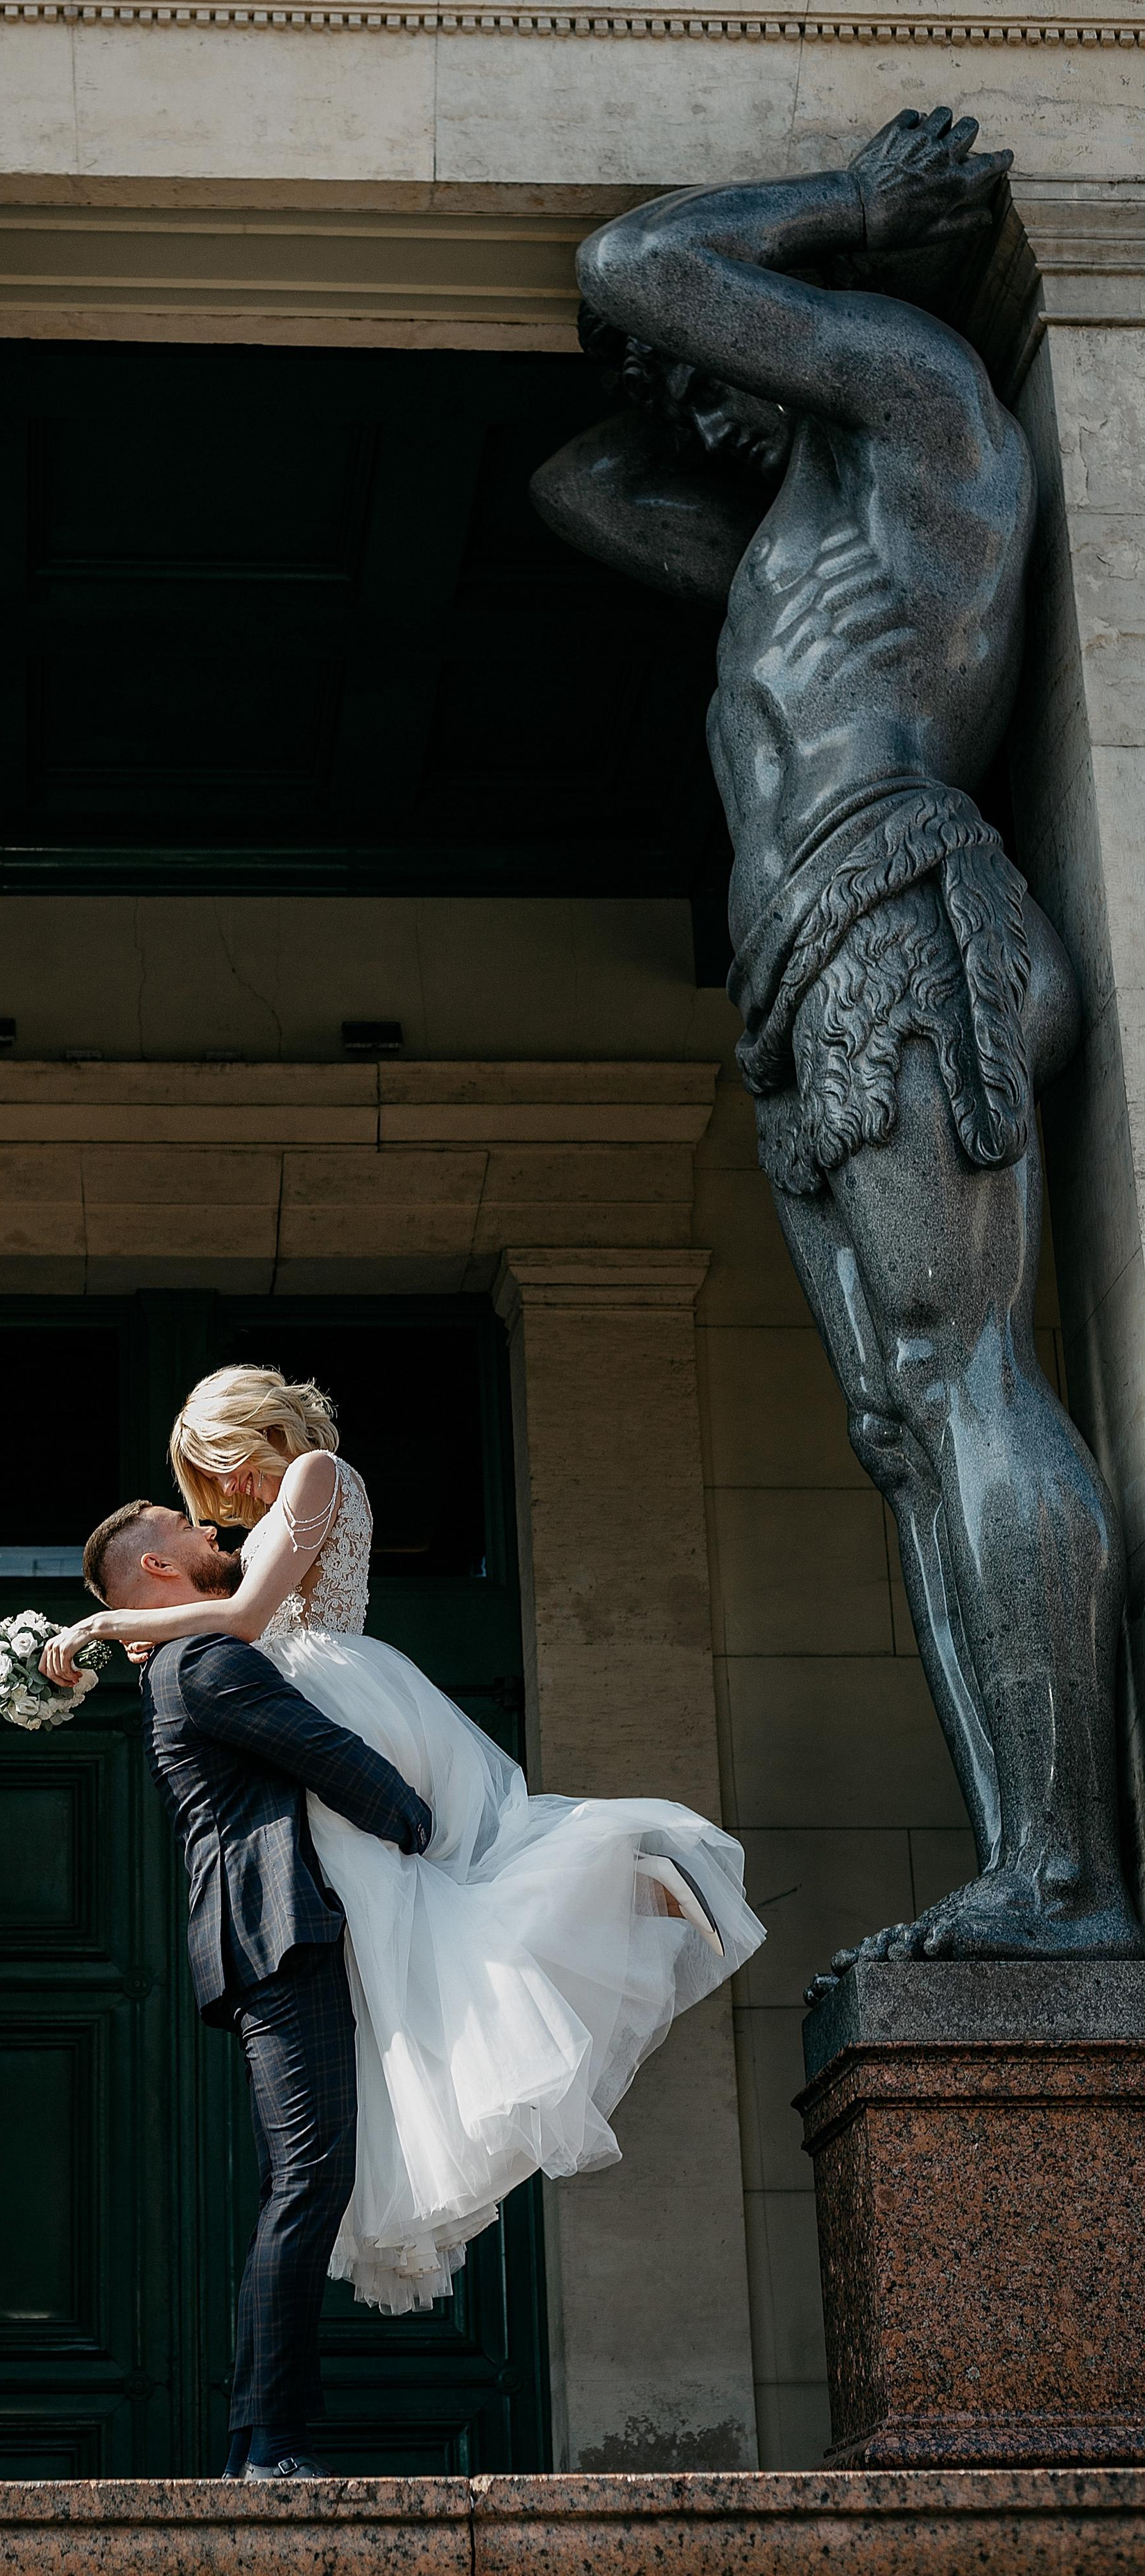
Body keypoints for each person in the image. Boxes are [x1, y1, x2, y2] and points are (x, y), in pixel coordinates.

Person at [531, 106, 1145, 1987]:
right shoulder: (801, 524)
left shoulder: (922, 406)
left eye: (728, 359)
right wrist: (723, 400)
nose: (685, 385)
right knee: (905, 1422)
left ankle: (1068, 1867)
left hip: (899, 904)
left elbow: (639, 264)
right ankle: (1024, 1865)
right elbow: (590, 483)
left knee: (967, 1381)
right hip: (819, 953)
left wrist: (856, 213)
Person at [46, 1368, 762, 2324]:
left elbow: (249, 1618)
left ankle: (617, 1871)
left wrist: (120, 1623)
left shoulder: (315, 1475)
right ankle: (620, 1888)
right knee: (425, 1912)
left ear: (254, 1435)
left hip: (339, 1693)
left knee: (423, 1893)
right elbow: (237, 1614)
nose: (227, 1503)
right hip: (315, 1685)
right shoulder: (283, 1505)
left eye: (225, 1473)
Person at [78, 1492, 433, 2480]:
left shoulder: (181, 1662)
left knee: (304, 2181)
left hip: (269, 1940)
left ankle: (259, 2444)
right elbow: (330, 1757)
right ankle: (272, 2445)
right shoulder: (206, 1662)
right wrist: (424, 1828)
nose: (211, 1531)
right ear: (156, 1568)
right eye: (181, 1524)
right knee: (308, 2182)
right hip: (277, 1937)